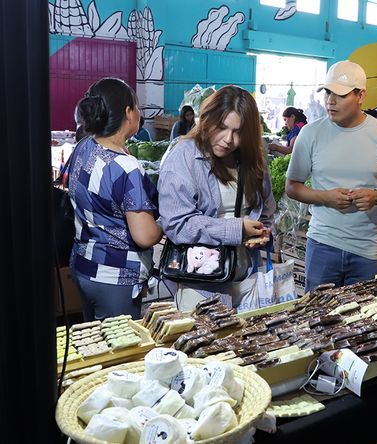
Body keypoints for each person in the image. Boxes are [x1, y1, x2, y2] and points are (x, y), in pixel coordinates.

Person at [285, 60, 377, 291]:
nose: (330, 101)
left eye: (340, 95)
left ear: (360, 96)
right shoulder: (310, 134)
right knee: (317, 319)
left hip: (367, 250)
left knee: (362, 321)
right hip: (322, 244)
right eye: (328, 93)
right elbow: (292, 186)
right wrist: (326, 197)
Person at [158, 85, 276, 311]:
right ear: (207, 119)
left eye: (238, 132)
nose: (228, 139)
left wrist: (264, 232)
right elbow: (177, 224)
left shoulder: (252, 160)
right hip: (203, 285)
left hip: (248, 277)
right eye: (222, 127)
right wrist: (236, 229)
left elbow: (267, 210)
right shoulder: (184, 158)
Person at [68, 78, 162, 320]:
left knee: (97, 346)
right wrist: (166, 225)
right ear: (128, 113)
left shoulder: (84, 145)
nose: (139, 113)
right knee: (120, 353)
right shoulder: (126, 166)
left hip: (84, 265)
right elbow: (145, 235)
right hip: (115, 277)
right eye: (137, 107)